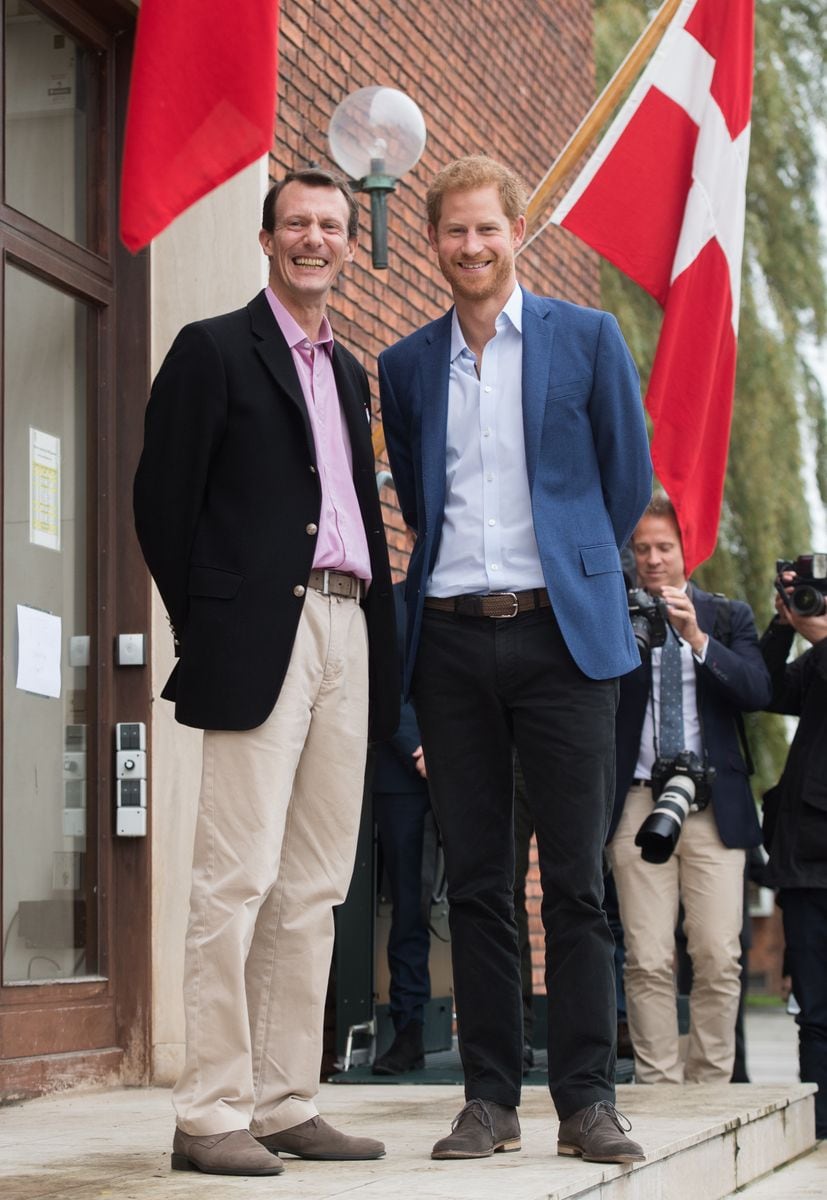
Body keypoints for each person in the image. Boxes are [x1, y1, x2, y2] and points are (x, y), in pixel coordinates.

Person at [379, 155, 652, 1164]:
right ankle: (488, 1097)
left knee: (575, 879)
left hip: (562, 641)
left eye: (486, 229)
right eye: (452, 231)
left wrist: (569, 571)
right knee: (478, 882)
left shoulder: (587, 340)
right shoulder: (407, 366)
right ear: (434, 244)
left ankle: (584, 1098)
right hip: (449, 642)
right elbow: (418, 497)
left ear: (516, 232)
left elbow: (621, 482)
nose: (470, 246)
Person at [133, 169, 398, 1177]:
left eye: (331, 226)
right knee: (233, 878)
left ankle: (286, 1100)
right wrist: (213, 625)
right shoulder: (211, 349)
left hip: (346, 624)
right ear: (265, 238)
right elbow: (160, 501)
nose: (316, 239)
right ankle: (209, 1113)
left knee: (314, 883)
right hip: (262, 633)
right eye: (298, 223)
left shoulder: (349, 372)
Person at [606, 494, 771, 1085]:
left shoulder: (727, 617)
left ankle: (710, 1088)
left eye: (664, 548)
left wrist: (696, 637)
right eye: (642, 548)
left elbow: (757, 690)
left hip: (713, 810)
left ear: (687, 551)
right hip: (637, 800)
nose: (651, 559)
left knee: (718, 956)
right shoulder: (614, 615)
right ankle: (657, 1086)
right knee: (648, 956)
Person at [759, 568, 827, 1139]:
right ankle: (818, 1132)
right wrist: (784, 626)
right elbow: (768, 690)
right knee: (815, 1011)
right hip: (807, 861)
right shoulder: (816, 659)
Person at [372, 581, 432, 1075]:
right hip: (400, 773)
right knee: (407, 906)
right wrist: (418, 746)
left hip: (472, 767)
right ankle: (408, 1030)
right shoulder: (389, 605)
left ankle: (506, 1031)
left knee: (494, 897)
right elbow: (380, 682)